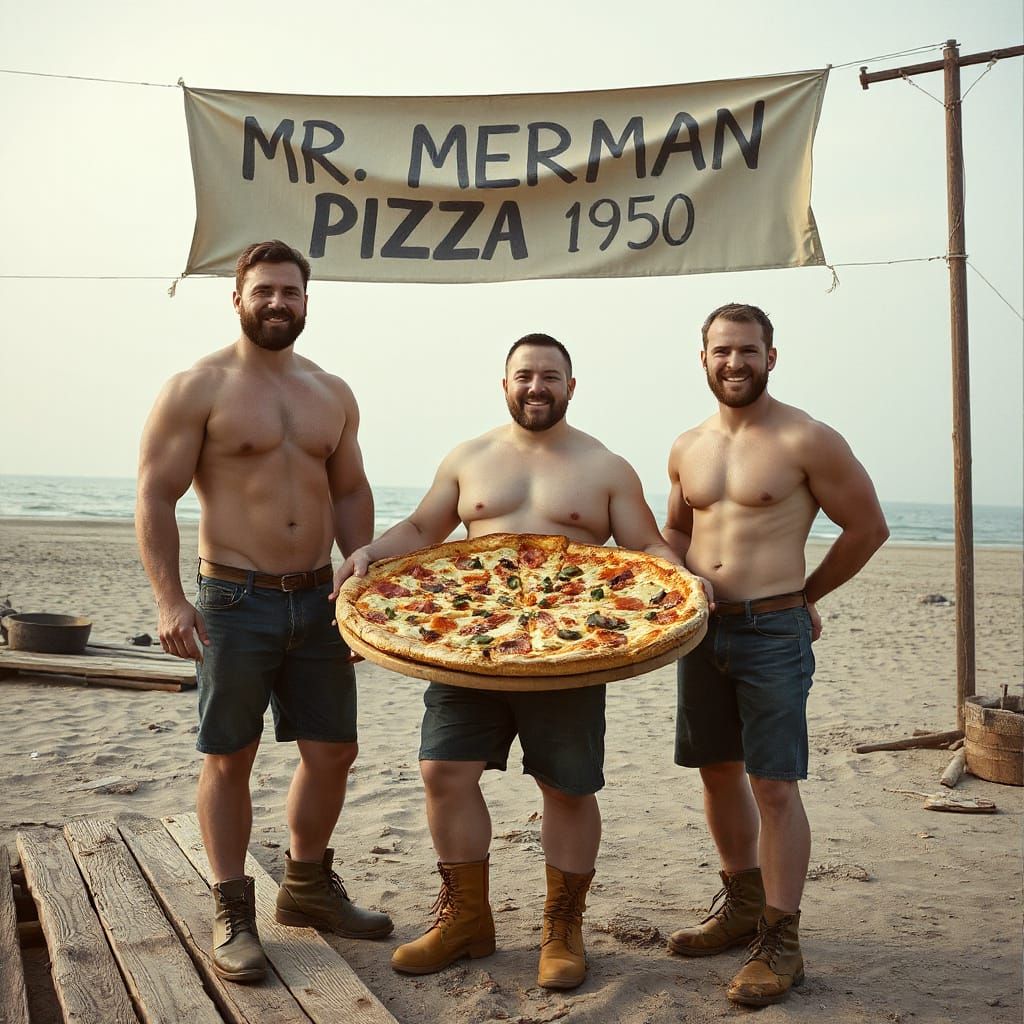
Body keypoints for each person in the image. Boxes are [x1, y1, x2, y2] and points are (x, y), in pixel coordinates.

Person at [336, 332, 682, 990]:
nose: (536, 386)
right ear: (504, 384)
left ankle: (562, 927)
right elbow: (422, 531)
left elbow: (645, 546)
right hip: (471, 647)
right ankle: (467, 919)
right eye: (524, 375)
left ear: (571, 387)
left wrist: (684, 582)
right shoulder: (470, 457)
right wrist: (370, 556)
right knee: (443, 770)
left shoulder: (606, 466)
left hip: (570, 653)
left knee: (568, 788)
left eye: (550, 376)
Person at [136, 239, 392, 985]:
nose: (277, 303)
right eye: (264, 291)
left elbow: (349, 490)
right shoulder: (197, 387)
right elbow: (155, 495)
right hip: (234, 599)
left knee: (333, 750)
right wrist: (169, 598)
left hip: (320, 598)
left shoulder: (330, 391)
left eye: (290, 292)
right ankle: (233, 908)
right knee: (230, 756)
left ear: (307, 302)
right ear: (239, 297)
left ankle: (308, 887)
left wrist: (361, 578)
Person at [662, 302, 889, 1007]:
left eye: (748, 350)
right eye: (722, 351)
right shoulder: (687, 445)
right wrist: (676, 585)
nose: (735, 362)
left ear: (771, 355)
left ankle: (781, 943)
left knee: (775, 785)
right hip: (700, 632)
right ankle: (739, 905)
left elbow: (867, 527)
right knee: (716, 772)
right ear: (702, 358)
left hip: (772, 633)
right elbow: (673, 531)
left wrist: (804, 593)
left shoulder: (806, 439)